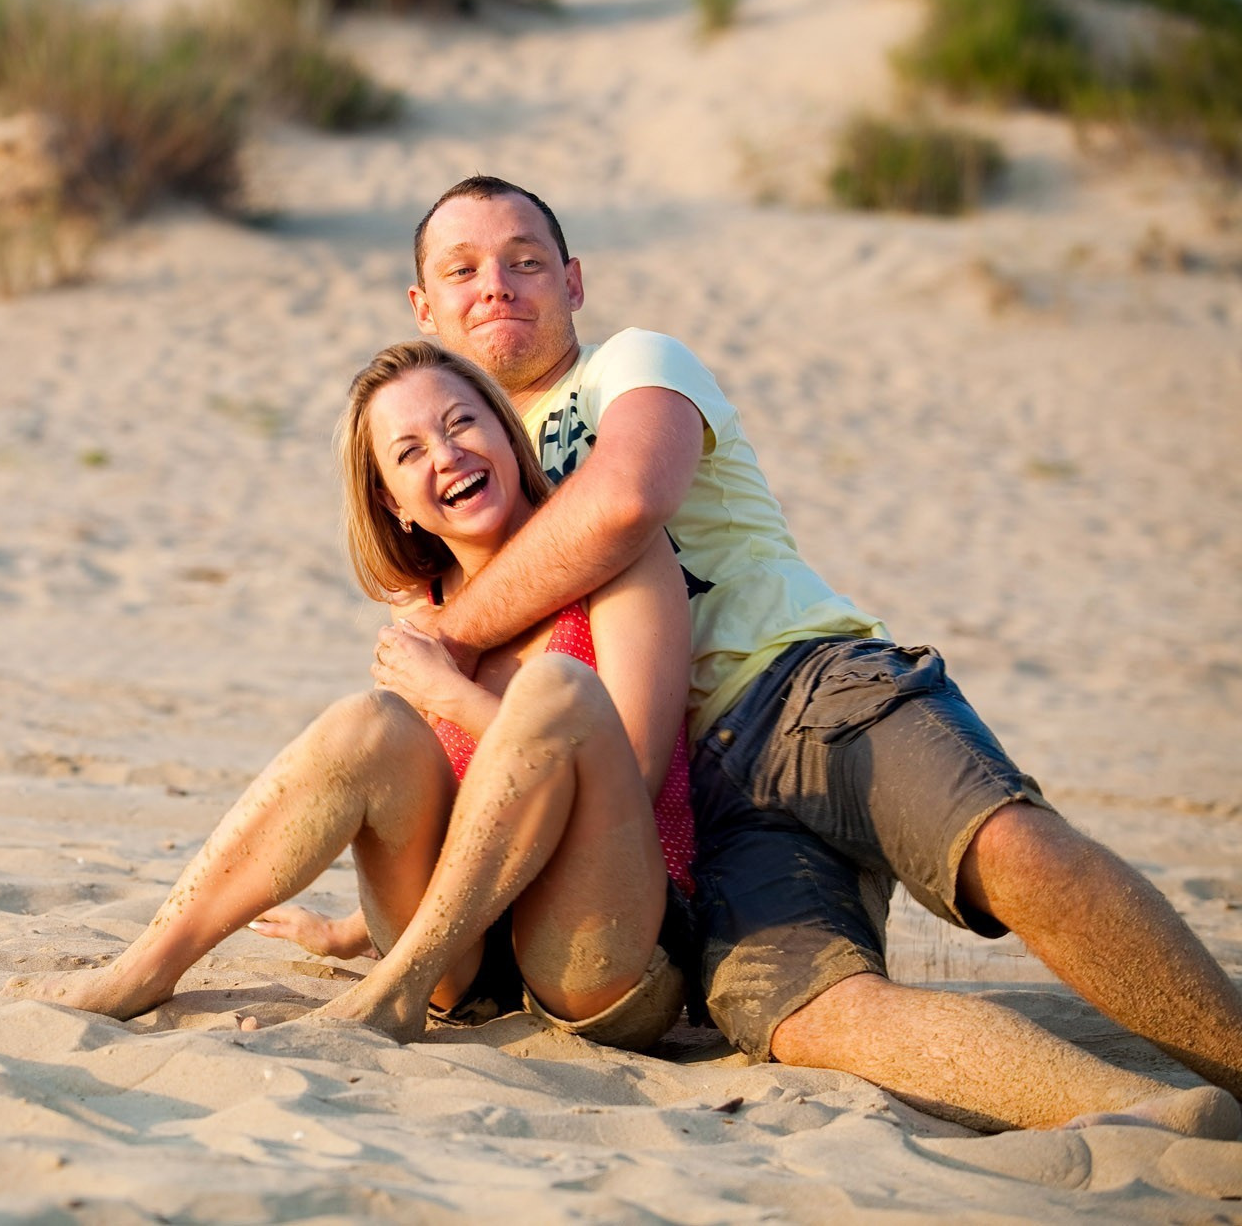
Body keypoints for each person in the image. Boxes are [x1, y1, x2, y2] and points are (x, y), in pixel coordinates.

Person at [394, 173, 1242, 1136]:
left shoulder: (636, 363)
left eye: (525, 260)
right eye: (462, 269)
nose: (496, 285)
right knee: (809, 1013)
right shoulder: (463, 481)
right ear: (424, 308)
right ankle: (1171, 1129)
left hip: (812, 687)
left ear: (575, 282)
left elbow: (629, 495)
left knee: (1003, 849)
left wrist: (452, 640)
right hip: (697, 809)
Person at [7, 341, 698, 1049]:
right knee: (371, 722)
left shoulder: (623, 558)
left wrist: (451, 694)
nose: (447, 454)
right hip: (466, 970)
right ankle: (147, 965)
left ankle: (391, 992)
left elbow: (634, 772)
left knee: (559, 688)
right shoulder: (422, 614)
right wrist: (343, 933)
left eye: (463, 422)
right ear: (392, 503)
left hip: (601, 949)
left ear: (507, 433)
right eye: (409, 451)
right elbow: (467, 821)